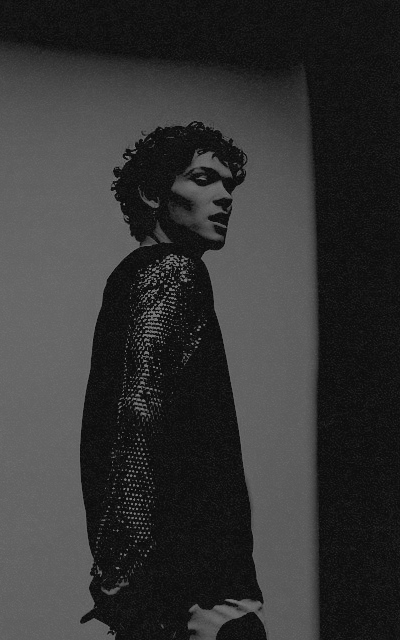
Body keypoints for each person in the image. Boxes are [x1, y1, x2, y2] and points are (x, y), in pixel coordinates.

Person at [80, 121, 268, 639]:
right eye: (204, 179)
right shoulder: (174, 271)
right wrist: (124, 567)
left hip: (163, 590)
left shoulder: (132, 275)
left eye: (229, 185)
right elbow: (137, 410)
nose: (225, 197)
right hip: (196, 592)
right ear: (151, 193)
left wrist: (119, 572)